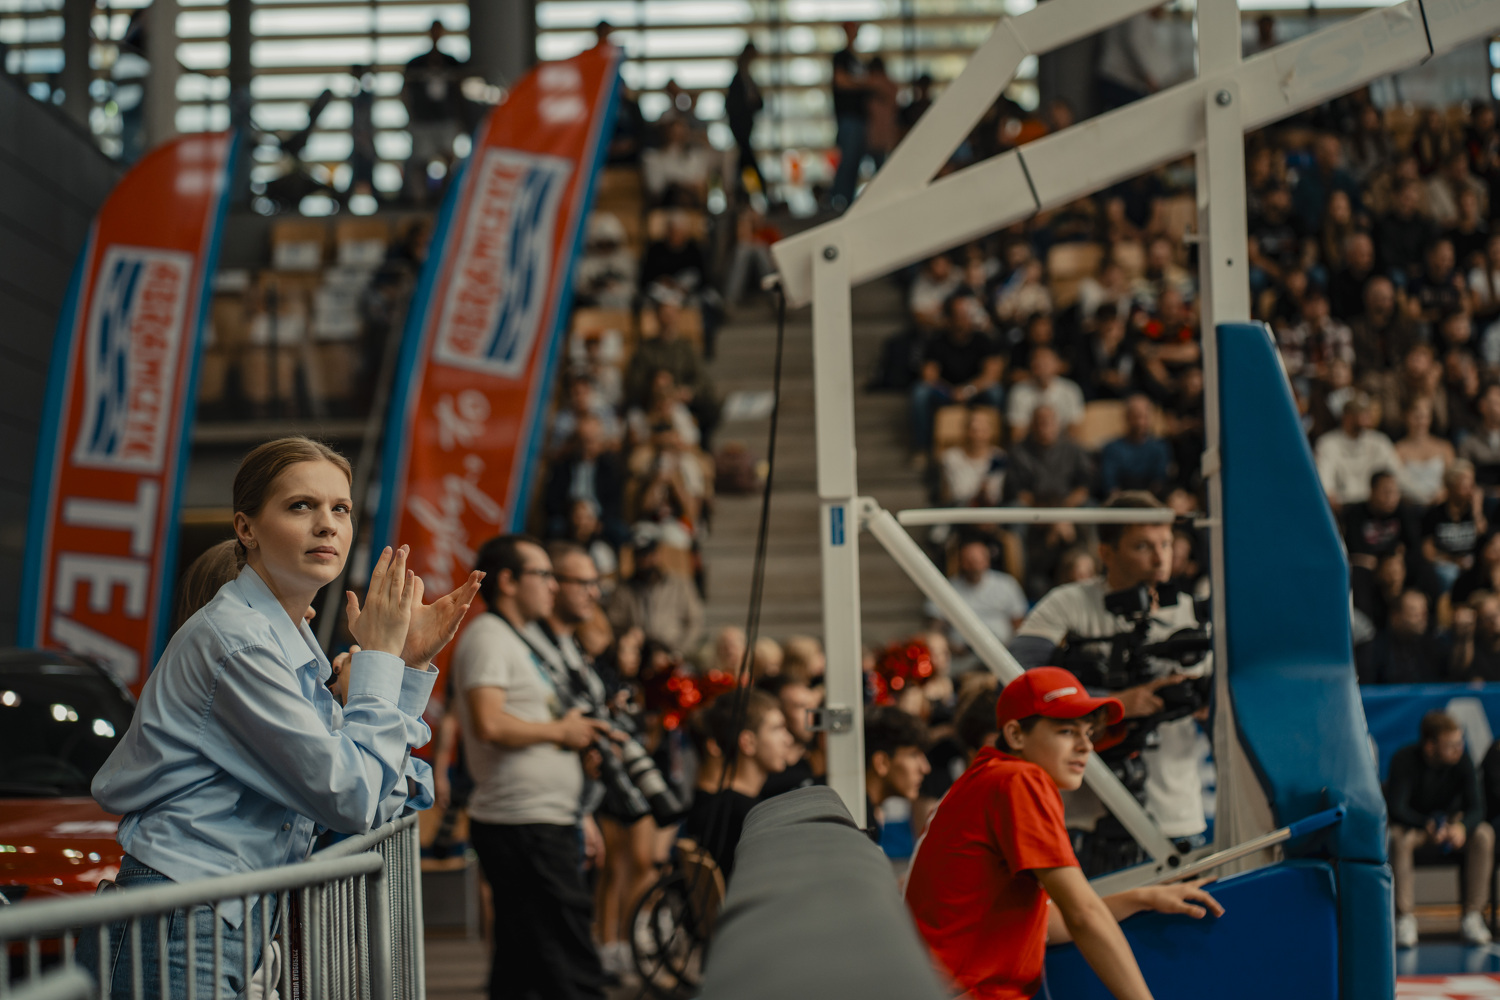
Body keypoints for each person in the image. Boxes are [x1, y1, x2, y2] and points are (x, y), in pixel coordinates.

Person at [89, 437, 480, 999]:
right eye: (301, 506)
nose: (327, 525)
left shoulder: (284, 645)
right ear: (245, 528)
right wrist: (382, 660)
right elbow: (352, 796)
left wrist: (408, 665)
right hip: (184, 914)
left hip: (213, 913)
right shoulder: (239, 641)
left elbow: (382, 797)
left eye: (340, 508)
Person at [904, 667, 1223, 1000]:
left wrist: (1144, 898)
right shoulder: (1018, 780)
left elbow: (1047, 924)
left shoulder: (989, 778)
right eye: (1067, 731)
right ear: (1016, 735)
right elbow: (1082, 914)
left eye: (1089, 732)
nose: (1086, 746)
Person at [1012, 492, 1211, 872]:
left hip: (1176, 812)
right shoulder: (1069, 603)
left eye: (1166, 544)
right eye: (1142, 546)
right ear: (1106, 552)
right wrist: (1115, 703)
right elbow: (1018, 678)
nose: (1160, 558)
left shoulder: (1193, 613)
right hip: (1085, 814)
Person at [455, 535, 617, 999]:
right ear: (507, 581)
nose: (552, 585)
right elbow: (489, 723)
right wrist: (561, 732)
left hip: (539, 819)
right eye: (543, 574)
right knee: (569, 958)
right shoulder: (489, 636)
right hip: (523, 822)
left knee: (523, 965)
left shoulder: (520, 638)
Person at [1386, 711, 1494, 948]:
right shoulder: (1404, 760)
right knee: (1398, 839)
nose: (1458, 749)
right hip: (1418, 827)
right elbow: (1396, 808)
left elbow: (1477, 808)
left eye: (1460, 742)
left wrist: (1461, 827)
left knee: (1484, 834)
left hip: (1453, 827)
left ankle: (1473, 916)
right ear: (1430, 746)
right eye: (1451, 744)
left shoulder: (1463, 760)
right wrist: (1425, 824)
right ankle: (1405, 918)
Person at [680, 689, 794, 880]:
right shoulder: (747, 815)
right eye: (776, 729)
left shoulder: (725, 805)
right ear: (747, 742)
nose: (788, 740)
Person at [910, 291, 1005, 456]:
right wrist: (950, 391)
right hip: (946, 392)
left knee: (996, 391)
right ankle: (923, 448)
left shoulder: (982, 340)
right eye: (959, 315)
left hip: (975, 391)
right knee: (920, 392)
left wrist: (968, 390)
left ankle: (996, 443)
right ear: (949, 318)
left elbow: (991, 375)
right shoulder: (937, 341)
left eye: (967, 314)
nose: (965, 319)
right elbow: (929, 375)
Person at [925, 536, 1029, 660]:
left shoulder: (1006, 584)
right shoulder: (947, 588)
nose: (974, 566)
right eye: (968, 560)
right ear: (960, 562)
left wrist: (1012, 647)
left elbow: (1019, 623)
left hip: (1002, 653)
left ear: (987, 560)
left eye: (977, 560)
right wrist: (947, 644)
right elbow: (935, 625)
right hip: (961, 655)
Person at [606, 533, 705, 656]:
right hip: (639, 655)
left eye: (649, 555)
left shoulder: (679, 585)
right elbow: (613, 623)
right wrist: (629, 634)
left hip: (675, 651)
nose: (645, 561)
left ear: (657, 554)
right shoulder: (624, 589)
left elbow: (695, 621)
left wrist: (679, 652)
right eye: (640, 556)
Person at [402, 21, 465, 205]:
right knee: (421, 162)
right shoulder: (416, 64)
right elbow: (405, 91)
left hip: (446, 118)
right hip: (423, 120)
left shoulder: (451, 62)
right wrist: (411, 116)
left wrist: (460, 119)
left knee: (449, 160)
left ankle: (446, 199)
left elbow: (459, 93)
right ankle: (421, 202)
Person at [1314, 393, 1400, 511]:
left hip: (1376, 506)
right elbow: (1325, 482)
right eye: (1360, 413)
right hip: (1344, 506)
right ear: (1347, 417)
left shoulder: (1379, 442)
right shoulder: (1327, 443)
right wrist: (1329, 495)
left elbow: (1396, 474)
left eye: (1366, 413)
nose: (1366, 417)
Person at [863, 706, 931, 842]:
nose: (925, 768)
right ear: (882, 763)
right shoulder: (855, 820)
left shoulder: (867, 817)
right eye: (913, 755)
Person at [1422, 459, 1486, 592]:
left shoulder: (1476, 511)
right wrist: (1453, 561)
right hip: (1445, 566)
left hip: (1473, 565)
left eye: (1472, 481)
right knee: (1450, 574)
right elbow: (1428, 553)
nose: (1470, 486)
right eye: (1464, 481)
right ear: (1451, 484)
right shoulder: (1435, 514)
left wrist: (1477, 511)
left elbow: (1485, 539)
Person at [1357, 589, 1447, 684]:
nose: (1422, 618)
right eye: (1414, 612)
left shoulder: (1433, 647)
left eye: (1424, 612)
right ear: (1395, 617)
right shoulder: (1372, 651)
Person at [829, 21, 870, 211]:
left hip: (859, 119)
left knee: (854, 161)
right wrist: (865, 84)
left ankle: (846, 201)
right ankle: (838, 200)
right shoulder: (841, 57)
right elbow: (841, 81)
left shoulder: (856, 60)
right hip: (848, 118)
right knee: (848, 160)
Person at [1006, 346, 1086, 443]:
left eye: (1046, 362)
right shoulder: (1018, 392)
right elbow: (1017, 435)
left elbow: (1075, 431)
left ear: (1057, 364)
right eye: (1037, 362)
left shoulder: (1071, 390)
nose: (1042, 366)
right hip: (1030, 446)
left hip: (1062, 446)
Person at [1099, 394, 1173, 498]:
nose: (1141, 422)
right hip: (1120, 502)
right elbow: (1110, 484)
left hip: (1152, 501)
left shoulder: (1160, 448)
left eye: (1145, 417)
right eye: (1137, 417)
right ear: (1127, 417)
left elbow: (1160, 481)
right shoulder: (1112, 448)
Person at [725, 43, 765, 200]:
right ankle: (758, 193)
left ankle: (744, 195)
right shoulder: (738, 81)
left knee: (743, 164)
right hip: (740, 130)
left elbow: (759, 103)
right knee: (748, 163)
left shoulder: (748, 79)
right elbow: (732, 107)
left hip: (747, 129)